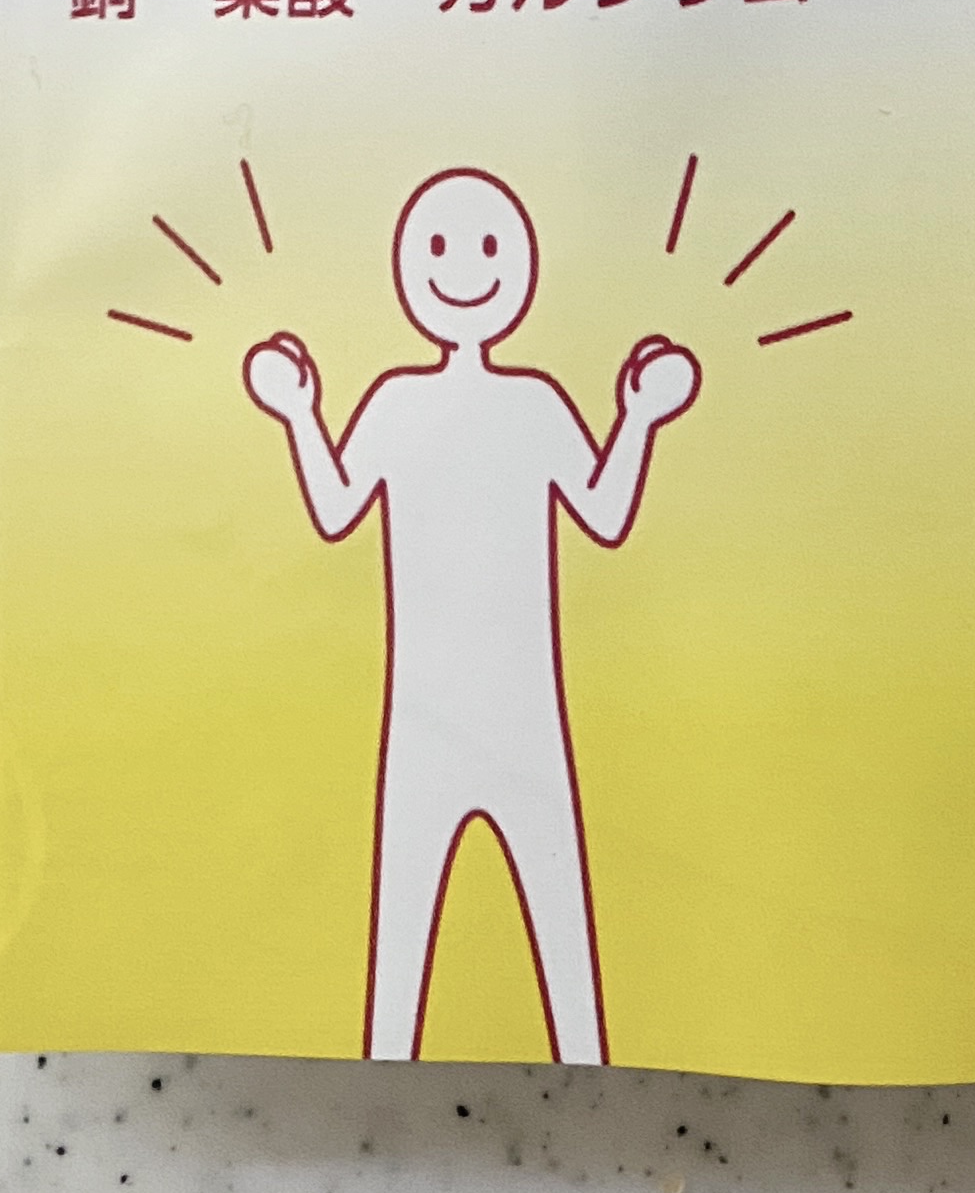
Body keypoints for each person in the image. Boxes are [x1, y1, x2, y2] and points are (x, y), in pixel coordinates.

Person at [243, 167, 700, 1062]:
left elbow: (606, 513)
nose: (464, 267)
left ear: (521, 267)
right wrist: (298, 413)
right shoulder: (395, 404)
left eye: (489, 246)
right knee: (398, 952)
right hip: (423, 725)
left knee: (567, 948)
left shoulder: (535, 404)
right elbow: (335, 508)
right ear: (409, 269)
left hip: (529, 721)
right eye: (441, 247)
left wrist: (641, 417)